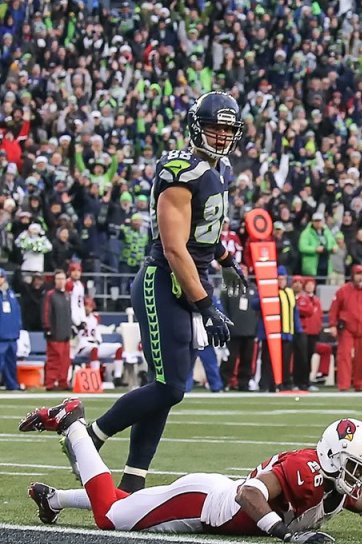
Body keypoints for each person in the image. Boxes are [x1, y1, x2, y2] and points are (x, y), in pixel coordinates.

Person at [62, 92, 243, 492]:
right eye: (214, 127)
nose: (221, 136)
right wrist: (207, 305)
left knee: (164, 387)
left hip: (190, 280)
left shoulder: (219, 169)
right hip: (163, 280)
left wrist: (226, 260)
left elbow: (203, 230)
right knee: (170, 387)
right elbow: (175, 247)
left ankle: (132, 482)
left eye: (228, 129)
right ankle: (87, 437)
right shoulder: (182, 171)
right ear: (196, 127)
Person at [21, 399, 362, 541]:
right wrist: (284, 534)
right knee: (109, 516)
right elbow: (249, 494)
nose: (357, 477)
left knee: (132, 505)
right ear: (333, 455)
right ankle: (73, 424)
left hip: (208, 498)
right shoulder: (307, 470)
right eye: (353, 466)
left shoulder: (332, 479)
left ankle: (53, 499)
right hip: (202, 504)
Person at [328, 265, 362, 392]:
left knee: (361, 358)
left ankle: (360, 384)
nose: (361, 277)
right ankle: (344, 384)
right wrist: (332, 325)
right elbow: (334, 309)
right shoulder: (343, 291)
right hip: (347, 328)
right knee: (344, 356)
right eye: (358, 274)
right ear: (352, 276)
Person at [42, 269, 73, 391]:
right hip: (54, 333)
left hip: (65, 333)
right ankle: (50, 383)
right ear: (55, 281)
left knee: (65, 361)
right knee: (54, 360)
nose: (61, 281)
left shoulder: (67, 295)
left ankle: (63, 381)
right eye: (58, 279)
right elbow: (46, 312)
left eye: (62, 279)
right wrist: (47, 328)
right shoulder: (50, 295)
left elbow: (69, 314)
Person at [295, 276, 323, 391]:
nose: (310, 286)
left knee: (309, 357)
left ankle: (306, 381)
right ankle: (299, 381)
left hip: (313, 332)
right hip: (304, 331)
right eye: (308, 284)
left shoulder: (316, 300)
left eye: (312, 284)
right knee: (302, 358)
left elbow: (318, 315)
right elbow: (307, 311)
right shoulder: (301, 298)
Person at [0, 268, 22, 390]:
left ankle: (12, 384)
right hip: (1, 335)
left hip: (12, 335)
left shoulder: (10, 294)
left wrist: (18, 329)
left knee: (11, 363)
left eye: (1, 277)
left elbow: (17, 312)